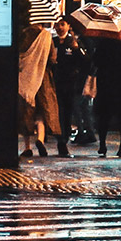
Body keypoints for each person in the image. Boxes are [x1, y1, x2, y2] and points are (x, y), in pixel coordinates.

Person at [17, 23, 58, 159]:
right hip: (44, 78)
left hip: (27, 78)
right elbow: (52, 59)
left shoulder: (25, 34)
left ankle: (27, 147)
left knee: (26, 112)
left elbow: (20, 54)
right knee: (41, 111)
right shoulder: (47, 37)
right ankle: (40, 139)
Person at [50, 20, 87, 155]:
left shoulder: (73, 42)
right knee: (57, 112)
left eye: (63, 24)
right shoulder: (52, 41)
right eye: (57, 24)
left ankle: (64, 139)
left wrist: (77, 49)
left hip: (70, 83)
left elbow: (84, 62)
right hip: (54, 82)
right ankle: (60, 138)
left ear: (68, 26)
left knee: (67, 112)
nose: (60, 27)